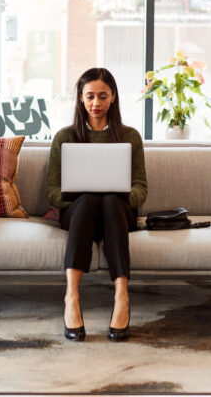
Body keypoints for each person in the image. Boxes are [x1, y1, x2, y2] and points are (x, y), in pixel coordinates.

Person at [46, 67, 148, 342]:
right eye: (90, 96)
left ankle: (122, 296)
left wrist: (124, 194)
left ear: (113, 97)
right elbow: (52, 191)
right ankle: (71, 297)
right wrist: (74, 194)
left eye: (103, 96)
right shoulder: (65, 137)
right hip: (80, 212)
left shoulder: (130, 137)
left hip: (117, 211)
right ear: (80, 98)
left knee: (111, 201)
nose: (96, 103)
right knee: (89, 199)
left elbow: (141, 187)